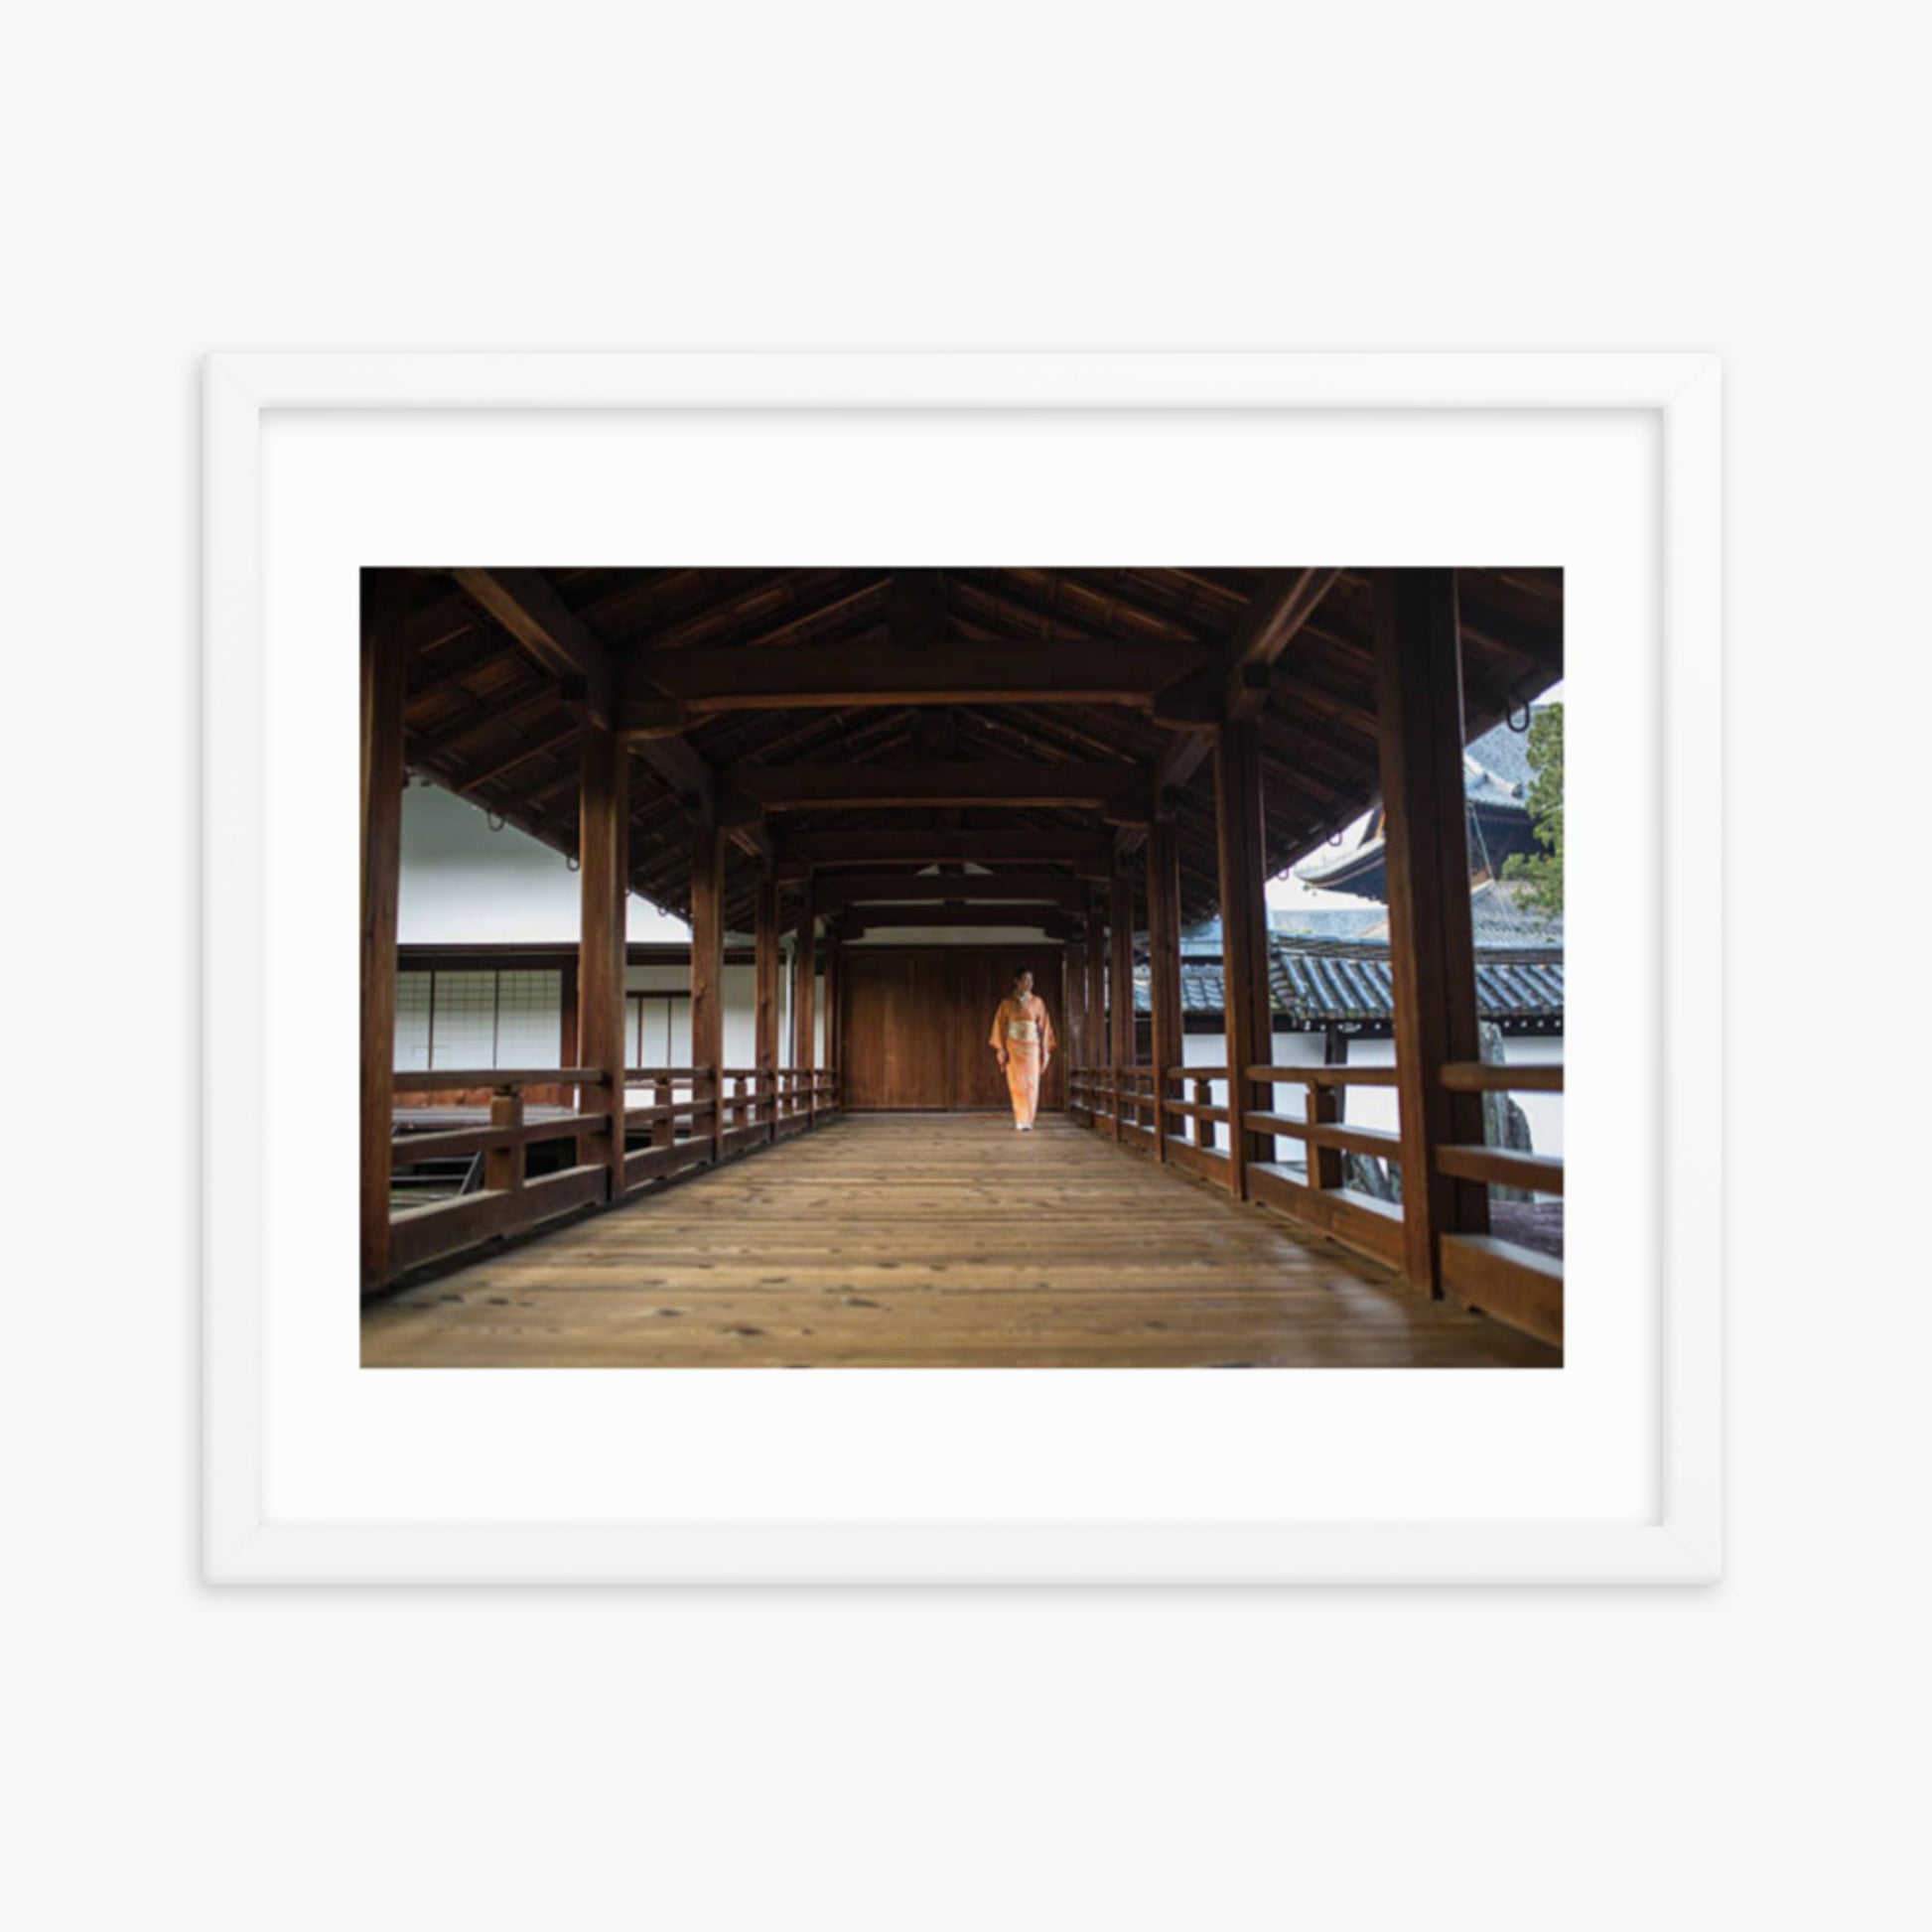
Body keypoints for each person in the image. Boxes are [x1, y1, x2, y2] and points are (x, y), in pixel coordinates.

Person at [990, 966, 1056, 1131]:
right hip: (1013, 1046)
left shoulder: (1037, 1002)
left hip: (1032, 1047)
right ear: (1016, 981)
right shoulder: (1006, 1004)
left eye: (1031, 980)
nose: (1029, 984)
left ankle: (1029, 1119)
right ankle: (1021, 1120)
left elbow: (1045, 1026)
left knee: (1032, 1083)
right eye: (1026, 980)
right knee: (1016, 1083)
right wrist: (1001, 1048)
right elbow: (998, 1026)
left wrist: (1045, 1048)